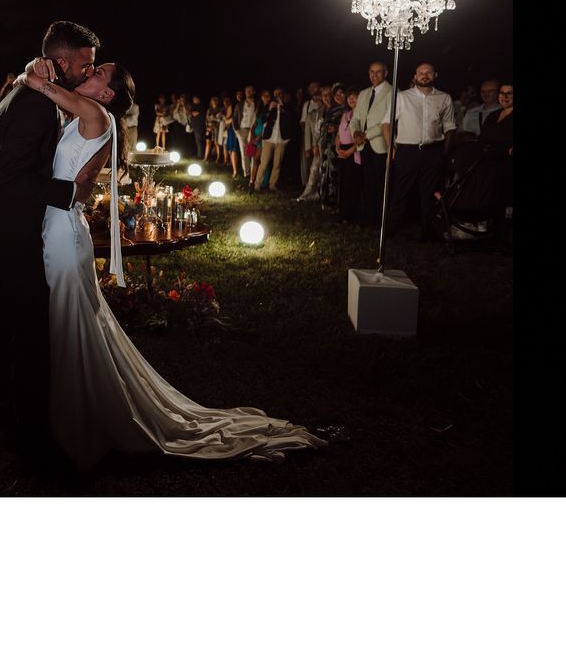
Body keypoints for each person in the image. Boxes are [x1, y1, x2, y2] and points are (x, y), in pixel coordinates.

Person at [22, 55, 324, 471]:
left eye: (97, 73)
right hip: (59, 225)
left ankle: (79, 420)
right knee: (70, 319)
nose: (89, 73)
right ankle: (73, 409)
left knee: (70, 318)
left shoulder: (95, 113)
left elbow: (37, 84)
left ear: (107, 94)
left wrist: (31, 68)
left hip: (62, 230)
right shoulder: (84, 113)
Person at [0, 21, 99, 456]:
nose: (87, 72)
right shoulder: (36, 105)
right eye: (85, 64)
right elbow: (12, 176)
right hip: (13, 229)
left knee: (8, 316)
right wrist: (72, 192)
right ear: (62, 62)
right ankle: (28, 425)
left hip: (4, 227)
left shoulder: (28, 93)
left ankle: (5, 405)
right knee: (26, 325)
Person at [385, 62, 456, 241]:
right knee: (401, 190)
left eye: (428, 72)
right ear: (415, 77)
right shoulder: (402, 97)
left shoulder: (444, 98)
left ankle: (428, 231)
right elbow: (386, 124)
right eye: (421, 73)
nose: (424, 75)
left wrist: (444, 151)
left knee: (430, 192)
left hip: (433, 151)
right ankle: (391, 229)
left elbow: (449, 127)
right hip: (407, 151)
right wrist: (391, 148)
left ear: (435, 75)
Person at [349, 61, 394, 226]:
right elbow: (355, 119)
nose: (374, 75)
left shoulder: (393, 92)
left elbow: (388, 121)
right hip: (364, 144)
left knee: (382, 183)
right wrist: (355, 133)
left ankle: (382, 220)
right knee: (368, 182)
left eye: (378, 72)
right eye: (371, 72)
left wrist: (365, 135)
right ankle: (368, 217)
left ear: (386, 73)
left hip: (381, 143)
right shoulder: (364, 93)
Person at [477, 83, 513, 236]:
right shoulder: (493, 116)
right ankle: (488, 228)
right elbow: (483, 138)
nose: (504, 97)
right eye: (502, 93)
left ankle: (505, 231)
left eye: (509, 93)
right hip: (489, 164)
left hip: (507, 165)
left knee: (506, 198)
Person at [330, 84, 362, 222]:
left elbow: (361, 137)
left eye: (355, 97)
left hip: (354, 151)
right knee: (342, 183)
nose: (351, 99)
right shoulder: (346, 114)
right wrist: (337, 148)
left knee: (352, 183)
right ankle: (342, 212)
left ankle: (352, 214)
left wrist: (350, 151)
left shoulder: (362, 115)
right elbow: (338, 134)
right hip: (342, 150)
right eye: (349, 97)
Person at [254, 87, 294, 192]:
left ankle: (273, 185)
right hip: (268, 139)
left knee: (277, 164)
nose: (277, 95)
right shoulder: (268, 105)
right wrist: (269, 109)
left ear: (282, 95)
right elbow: (262, 120)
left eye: (279, 93)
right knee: (264, 162)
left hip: (282, 140)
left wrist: (282, 106)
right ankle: (257, 184)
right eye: (275, 94)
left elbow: (291, 119)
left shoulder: (287, 107)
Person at [298, 81, 322, 193]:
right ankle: (306, 183)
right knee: (306, 160)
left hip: (321, 137)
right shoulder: (307, 104)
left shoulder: (324, 102)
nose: (314, 90)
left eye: (315, 87)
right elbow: (303, 121)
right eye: (311, 88)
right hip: (308, 135)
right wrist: (307, 133)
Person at [220, 97, 242, 178]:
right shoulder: (232, 106)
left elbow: (228, 120)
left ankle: (239, 170)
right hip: (232, 130)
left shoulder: (241, 106)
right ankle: (235, 170)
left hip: (239, 129)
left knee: (237, 150)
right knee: (233, 150)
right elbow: (227, 120)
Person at [203, 95, 222, 165]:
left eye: (215, 101)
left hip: (216, 129)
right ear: (211, 102)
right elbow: (206, 119)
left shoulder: (220, 110)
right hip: (209, 128)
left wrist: (214, 120)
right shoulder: (209, 110)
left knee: (216, 143)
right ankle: (206, 157)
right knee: (208, 143)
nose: (214, 102)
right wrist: (207, 127)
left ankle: (218, 158)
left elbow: (220, 120)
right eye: (213, 101)